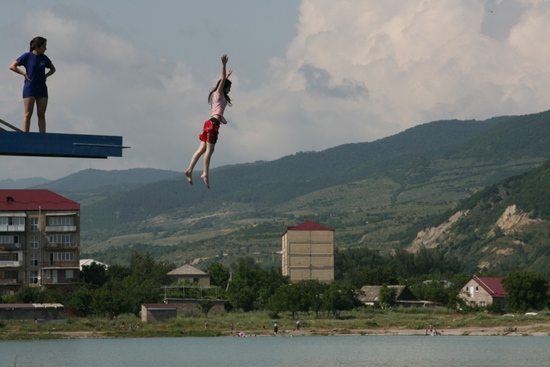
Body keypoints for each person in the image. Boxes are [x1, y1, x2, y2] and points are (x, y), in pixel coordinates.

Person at [184, 54, 232, 188]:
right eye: (229, 88)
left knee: (201, 150)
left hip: (209, 123)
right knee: (209, 152)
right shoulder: (219, 93)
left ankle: (189, 170)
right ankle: (205, 173)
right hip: (213, 124)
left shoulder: (219, 95)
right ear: (223, 87)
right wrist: (223, 65)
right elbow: (222, 81)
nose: (229, 90)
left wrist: (227, 77)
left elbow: (223, 81)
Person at [9, 36, 56, 133]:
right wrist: (23, 73)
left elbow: (53, 69)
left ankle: (42, 135)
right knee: (28, 113)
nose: (45, 48)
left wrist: (46, 76)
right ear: (37, 47)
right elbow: (12, 66)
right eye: (44, 46)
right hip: (30, 87)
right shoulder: (27, 56)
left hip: (41, 88)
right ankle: (26, 135)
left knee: (41, 114)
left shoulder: (44, 58)